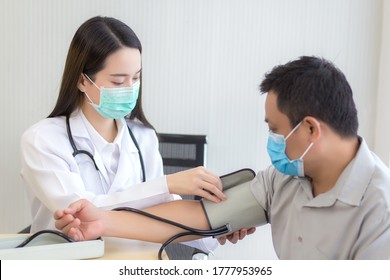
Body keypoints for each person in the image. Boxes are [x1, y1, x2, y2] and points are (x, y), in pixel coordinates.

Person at [55, 56, 390, 259]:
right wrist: (101, 220)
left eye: (275, 129)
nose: (272, 142)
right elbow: (200, 215)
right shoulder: (284, 178)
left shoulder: (380, 212)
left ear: (311, 130)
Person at [20, 16, 226, 253]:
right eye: (118, 81)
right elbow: (83, 212)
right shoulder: (43, 140)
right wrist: (166, 184)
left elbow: (168, 217)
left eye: (136, 78)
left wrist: (220, 226)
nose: (130, 89)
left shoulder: (144, 138)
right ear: (81, 81)